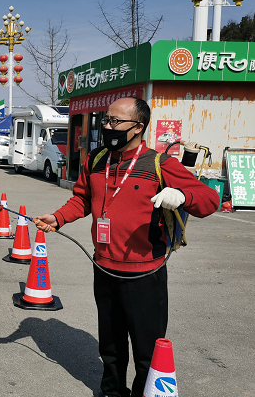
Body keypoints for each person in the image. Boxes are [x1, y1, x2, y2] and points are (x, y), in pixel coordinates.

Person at [35, 97, 220, 397]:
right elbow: (82, 198)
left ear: (138, 127)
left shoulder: (160, 164)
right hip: (104, 268)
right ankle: (111, 390)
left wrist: (182, 197)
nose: (107, 126)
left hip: (144, 276)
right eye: (106, 120)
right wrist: (58, 218)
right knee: (110, 345)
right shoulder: (96, 160)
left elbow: (209, 200)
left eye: (114, 122)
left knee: (147, 351)